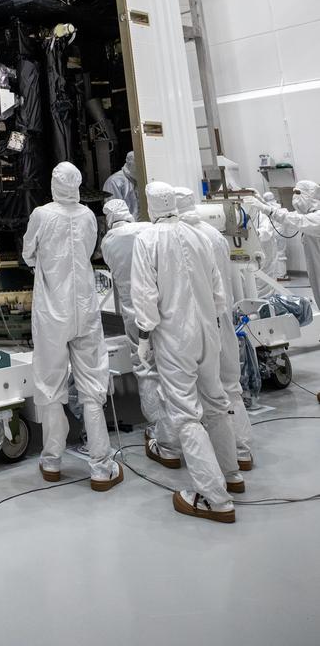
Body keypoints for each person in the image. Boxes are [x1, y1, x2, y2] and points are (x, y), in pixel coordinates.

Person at [131, 181, 243, 524]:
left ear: (151, 205)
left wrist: (145, 336)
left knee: (185, 413)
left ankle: (213, 497)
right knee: (215, 401)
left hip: (174, 337)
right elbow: (218, 290)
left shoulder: (146, 240)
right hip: (209, 331)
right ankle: (232, 474)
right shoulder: (199, 234)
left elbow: (144, 296)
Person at [23, 162, 123, 491]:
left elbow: (28, 253)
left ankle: (52, 462)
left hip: (52, 312)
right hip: (85, 309)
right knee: (93, 386)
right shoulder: (87, 217)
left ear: (53, 183)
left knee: (50, 387)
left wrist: (45, 265)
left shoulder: (41, 214)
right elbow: (89, 249)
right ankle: (101, 468)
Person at [174, 187, 254, 472]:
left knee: (200, 396)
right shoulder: (215, 236)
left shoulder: (179, 237)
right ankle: (241, 452)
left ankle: (214, 465)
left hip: (197, 324)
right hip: (221, 319)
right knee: (230, 388)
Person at [100, 198, 181, 468]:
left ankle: (161, 434)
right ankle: (181, 423)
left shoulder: (109, 242)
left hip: (135, 313)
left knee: (146, 370)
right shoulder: (149, 230)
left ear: (109, 219)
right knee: (173, 366)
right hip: (165, 308)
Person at [247, 181, 320, 306]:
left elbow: (293, 219)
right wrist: (262, 202)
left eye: (298, 193)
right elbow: (286, 215)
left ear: (309, 196)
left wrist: (265, 208)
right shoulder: (308, 214)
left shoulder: (316, 217)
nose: (294, 197)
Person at [103, 150, 138, 218]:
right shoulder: (114, 182)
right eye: (137, 163)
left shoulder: (142, 177)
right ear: (129, 163)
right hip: (125, 226)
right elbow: (114, 212)